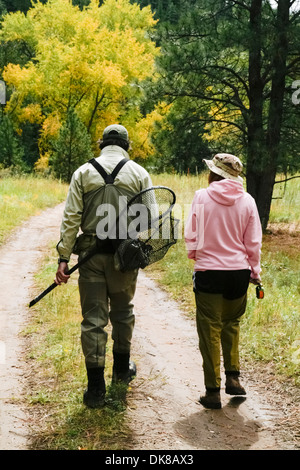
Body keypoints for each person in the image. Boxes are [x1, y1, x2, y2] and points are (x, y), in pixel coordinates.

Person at [55, 124, 153, 408]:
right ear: (126, 145)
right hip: (124, 257)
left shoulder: (83, 173)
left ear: (102, 144)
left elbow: (71, 217)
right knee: (123, 313)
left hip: (90, 257)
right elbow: (150, 218)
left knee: (93, 320)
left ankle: (95, 388)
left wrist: (63, 257)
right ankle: (121, 372)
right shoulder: (139, 173)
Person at [185, 153, 262, 409]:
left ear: (214, 172)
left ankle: (212, 391)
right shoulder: (248, 201)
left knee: (209, 330)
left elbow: (192, 234)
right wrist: (255, 271)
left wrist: (197, 255)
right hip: (238, 273)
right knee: (231, 324)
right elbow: (253, 242)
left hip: (209, 272)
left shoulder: (202, 196)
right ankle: (233, 378)